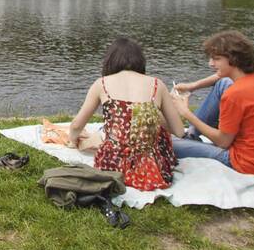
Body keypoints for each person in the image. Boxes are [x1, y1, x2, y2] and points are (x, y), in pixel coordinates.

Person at [67, 37, 184, 191]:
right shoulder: (157, 84)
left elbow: (76, 125)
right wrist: (153, 111)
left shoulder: (101, 84)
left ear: (110, 61)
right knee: (157, 132)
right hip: (149, 170)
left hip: (111, 165)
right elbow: (179, 131)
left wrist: (72, 140)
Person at [171, 30, 254, 175]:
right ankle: (190, 136)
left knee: (166, 143)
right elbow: (220, 78)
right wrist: (193, 86)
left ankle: (188, 138)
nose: (211, 63)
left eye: (216, 59)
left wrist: (186, 113)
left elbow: (223, 142)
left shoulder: (235, 94)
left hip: (248, 164)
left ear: (233, 59)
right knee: (224, 82)